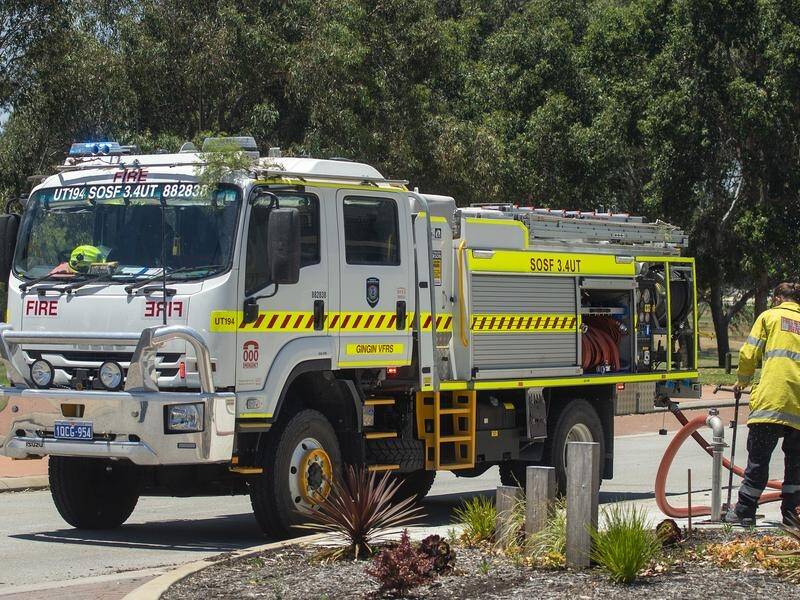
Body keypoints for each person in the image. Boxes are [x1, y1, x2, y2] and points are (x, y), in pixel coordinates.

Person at [725, 282, 800, 526]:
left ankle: (745, 511)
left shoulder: (769, 316)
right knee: (796, 465)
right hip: (798, 406)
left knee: (758, 460)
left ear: (778, 298)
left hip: (772, 401)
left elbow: (749, 353)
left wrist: (742, 381)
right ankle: (791, 516)